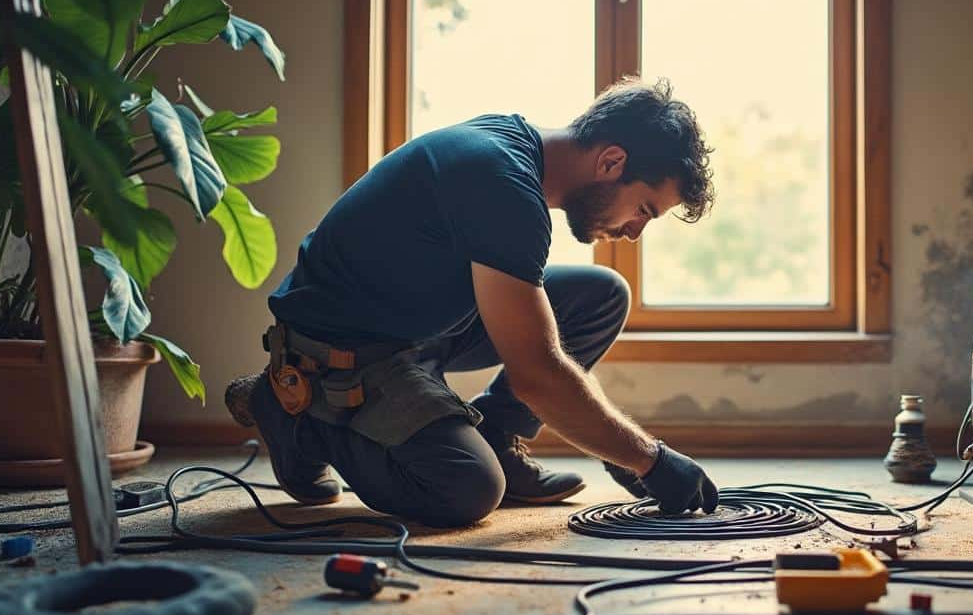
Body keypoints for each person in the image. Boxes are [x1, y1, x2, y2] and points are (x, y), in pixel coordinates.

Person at [224, 78, 720, 528]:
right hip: (340, 352)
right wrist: (648, 458)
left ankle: (498, 438)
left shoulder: (514, 144)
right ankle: (295, 414)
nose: (635, 232)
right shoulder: (504, 187)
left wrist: (620, 447)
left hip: (409, 324)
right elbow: (538, 374)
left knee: (601, 296)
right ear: (611, 162)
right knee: (468, 487)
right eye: (645, 211)